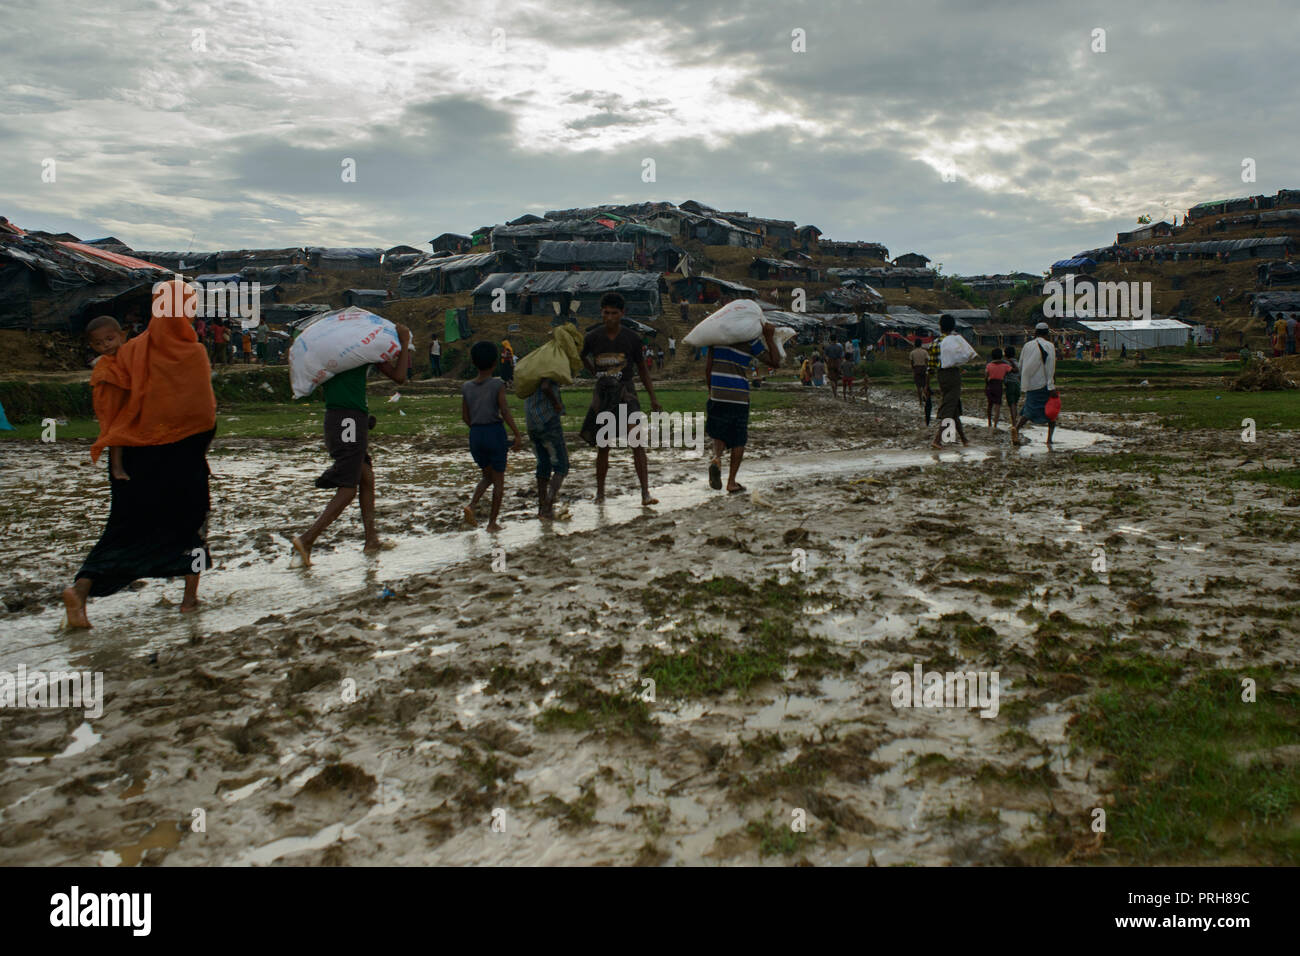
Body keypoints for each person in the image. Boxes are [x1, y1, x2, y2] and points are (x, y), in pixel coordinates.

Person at [63, 283, 218, 628]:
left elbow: (111, 396)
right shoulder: (193, 354)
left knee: (123, 530)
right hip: (184, 459)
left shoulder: (131, 351)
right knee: (192, 528)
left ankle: (80, 591)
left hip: (133, 460)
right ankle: (190, 601)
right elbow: (205, 416)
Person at [291, 321, 412, 566]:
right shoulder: (364, 353)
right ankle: (307, 539)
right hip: (348, 421)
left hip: (340, 420)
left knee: (366, 475)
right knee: (348, 487)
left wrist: (362, 420)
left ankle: (371, 539)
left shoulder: (329, 356)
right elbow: (400, 377)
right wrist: (405, 341)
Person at [579, 292, 663, 505]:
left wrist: (653, 398)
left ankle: (645, 493)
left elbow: (643, 370)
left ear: (622, 314)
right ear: (601, 313)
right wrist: (593, 372)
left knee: (637, 442)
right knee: (603, 446)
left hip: (626, 393)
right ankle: (600, 494)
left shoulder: (632, 338)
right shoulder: (592, 337)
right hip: (604, 394)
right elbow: (578, 356)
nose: (609, 317)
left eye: (614, 313)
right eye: (605, 313)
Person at [705, 321, 779, 493]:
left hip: (718, 392)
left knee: (719, 431)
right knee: (738, 438)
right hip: (739, 394)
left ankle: (716, 458)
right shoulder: (750, 340)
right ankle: (731, 482)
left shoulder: (715, 338)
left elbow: (708, 368)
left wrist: (712, 391)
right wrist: (769, 337)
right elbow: (775, 362)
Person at [462, 341, 523, 531]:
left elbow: (465, 416)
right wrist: (517, 434)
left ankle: (471, 505)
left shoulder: (466, 387)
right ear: (495, 363)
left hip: (476, 435)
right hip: (494, 433)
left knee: (487, 476)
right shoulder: (497, 384)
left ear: (473, 363)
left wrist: (477, 428)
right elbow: (504, 410)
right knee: (498, 481)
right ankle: (492, 523)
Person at [84, 316, 132, 482]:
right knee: (114, 435)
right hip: (111, 403)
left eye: (109, 339)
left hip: (128, 401)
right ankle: (117, 468)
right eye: (98, 343)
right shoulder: (103, 362)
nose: (104, 345)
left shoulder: (131, 354)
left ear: (122, 335)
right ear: (92, 346)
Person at [525, 375, 568, 519]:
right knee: (562, 465)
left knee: (543, 464)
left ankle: (541, 506)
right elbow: (545, 387)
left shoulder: (532, 369)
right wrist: (556, 404)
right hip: (547, 420)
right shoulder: (549, 368)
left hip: (532, 422)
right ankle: (547, 507)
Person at [1012, 322, 1059, 449]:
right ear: (1047, 334)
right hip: (1043, 384)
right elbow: (1050, 367)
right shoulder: (1049, 346)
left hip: (1030, 384)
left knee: (1029, 409)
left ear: (1035, 333)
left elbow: (1021, 364)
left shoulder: (1027, 346)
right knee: (1051, 412)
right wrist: (1051, 386)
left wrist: (1022, 380)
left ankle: (1016, 428)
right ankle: (1049, 440)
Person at [930, 315, 974, 449]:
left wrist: (927, 385)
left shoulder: (936, 342)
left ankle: (964, 439)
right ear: (953, 326)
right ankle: (937, 440)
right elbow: (966, 355)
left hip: (941, 376)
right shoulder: (955, 341)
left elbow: (930, 366)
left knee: (953, 406)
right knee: (949, 408)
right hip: (953, 375)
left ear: (940, 326)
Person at [984, 347, 1011, 429]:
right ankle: (995, 424)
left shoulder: (989, 365)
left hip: (990, 385)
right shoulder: (1005, 365)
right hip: (998, 386)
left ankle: (989, 422)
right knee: (997, 406)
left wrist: (986, 385)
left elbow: (986, 376)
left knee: (989, 405)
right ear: (1001, 356)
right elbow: (1013, 370)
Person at [909, 338, 929, 411]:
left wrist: (913, 369)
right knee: (924, 385)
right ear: (921, 344)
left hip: (916, 369)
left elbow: (911, 362)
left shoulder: (912, 352)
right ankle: (925, 398)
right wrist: (926, 368)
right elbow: (927, 361)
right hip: (923, 368)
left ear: (915, 344)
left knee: (918, 386)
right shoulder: (925, 352)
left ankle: (920, 401)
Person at [1003, 344, 1021, 422]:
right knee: (1015, 404)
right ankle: (1015, 421)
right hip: (1018, 384)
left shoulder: (1006, 363)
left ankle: (1014, 422)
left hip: (1010, 384)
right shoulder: (1018, 363)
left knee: (1012, 404)